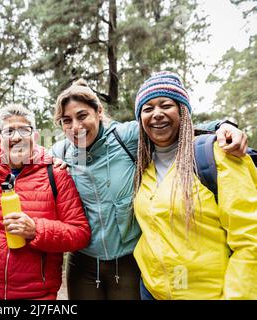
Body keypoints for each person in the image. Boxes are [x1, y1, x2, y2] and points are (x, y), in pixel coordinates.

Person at [51, 79, 249, 300]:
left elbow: (173, 124)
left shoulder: (124, 136)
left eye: (82, 116)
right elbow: (32, 160)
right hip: (85, 260)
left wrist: (224, 126)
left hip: (126, 260)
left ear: (99, 112)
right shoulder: (63, 152)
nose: (76, 127)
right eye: (66, 120)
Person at [132, 71, 257, 300]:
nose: (157, 114)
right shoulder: (145, 169)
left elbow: (250, 241)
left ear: (183, 112)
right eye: (147, 109)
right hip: (153, 292)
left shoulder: (218, 155)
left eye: (165, 105)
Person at [0, 104, 91, 300]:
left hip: (35, 293)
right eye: (9, 131)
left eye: (24, 130)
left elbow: (80, 233)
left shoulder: (55, 174)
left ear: (35, 136)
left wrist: (36, 230)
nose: (16, 137)